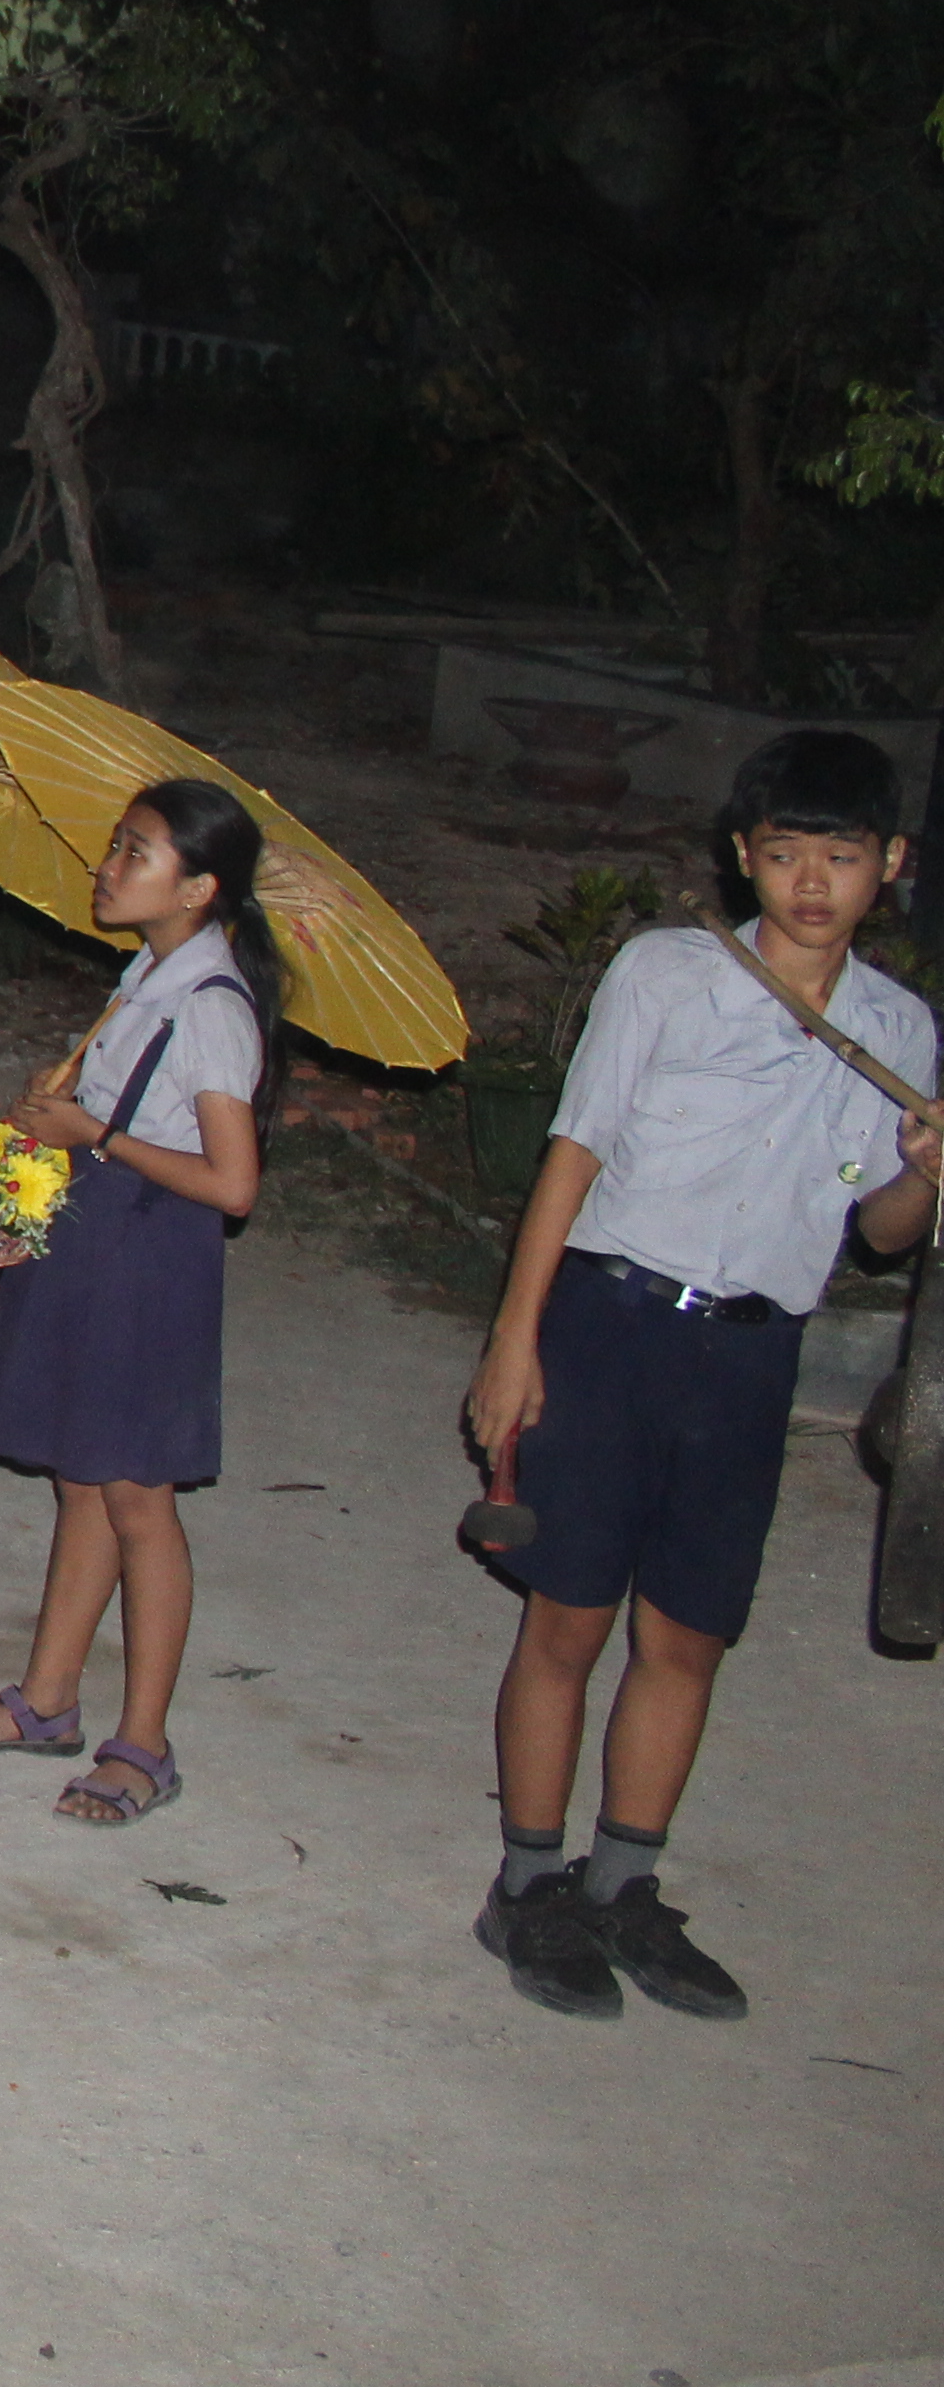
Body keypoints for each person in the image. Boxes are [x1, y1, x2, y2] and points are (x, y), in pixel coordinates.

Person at [465, 731, 934, 2015]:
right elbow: (575, 1149)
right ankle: (527, 1887)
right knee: (566, 1616)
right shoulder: (665, 975)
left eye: (841, 858)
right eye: (786, 856)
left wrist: (924, 1170)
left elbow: (882, 1239)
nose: (813, 884)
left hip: (751, 1351)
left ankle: (625, 1888)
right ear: (744, 859)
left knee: (689, 1635)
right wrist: (517, 1337)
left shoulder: (901, 1029)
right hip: (611, 1325)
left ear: (890, 865)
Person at [0, 777, 273, 1826]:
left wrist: (98, 1137)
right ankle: (46, 1701)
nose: (106, 867)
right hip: (99, 1235)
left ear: (200, 888)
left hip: (151, 1255)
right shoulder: (151, 972)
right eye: (115, 844)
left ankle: (145, 1743)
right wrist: (59, 1115)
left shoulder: (213, 1008)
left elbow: (233, 1184)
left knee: (141, 1504)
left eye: (136, 853)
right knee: (83, 1480)